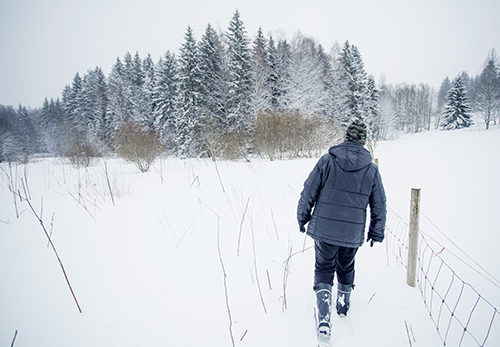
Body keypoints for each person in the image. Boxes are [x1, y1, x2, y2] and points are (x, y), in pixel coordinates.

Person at [296, 119, 387, 340]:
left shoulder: (327, 161)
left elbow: (309, 190)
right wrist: (377, 230)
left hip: (325, 228)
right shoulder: (371, 169)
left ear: (346, 137)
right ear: (363, 141)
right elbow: (379, 203)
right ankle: (343, 304)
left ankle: (324, 319)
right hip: (351, 232)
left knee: (324, 267)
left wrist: (303, 216)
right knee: (346, 265)